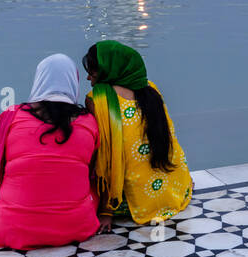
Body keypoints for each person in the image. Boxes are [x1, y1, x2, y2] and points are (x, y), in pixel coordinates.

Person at [0, 54, 100, 250]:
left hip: (12, 230)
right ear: (74, 82)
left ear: (39, 80)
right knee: (92, 190)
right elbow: (90, 171)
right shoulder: (89, 121)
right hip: (77, 227)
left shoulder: (11, 116)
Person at [83, 40, 193, 229]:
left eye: (92, 71)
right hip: (173, 191)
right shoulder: (151, 90)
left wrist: (106, 210)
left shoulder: (98, 98)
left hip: (125, 202)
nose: (88, 77)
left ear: (109, 69)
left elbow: (106, 158)